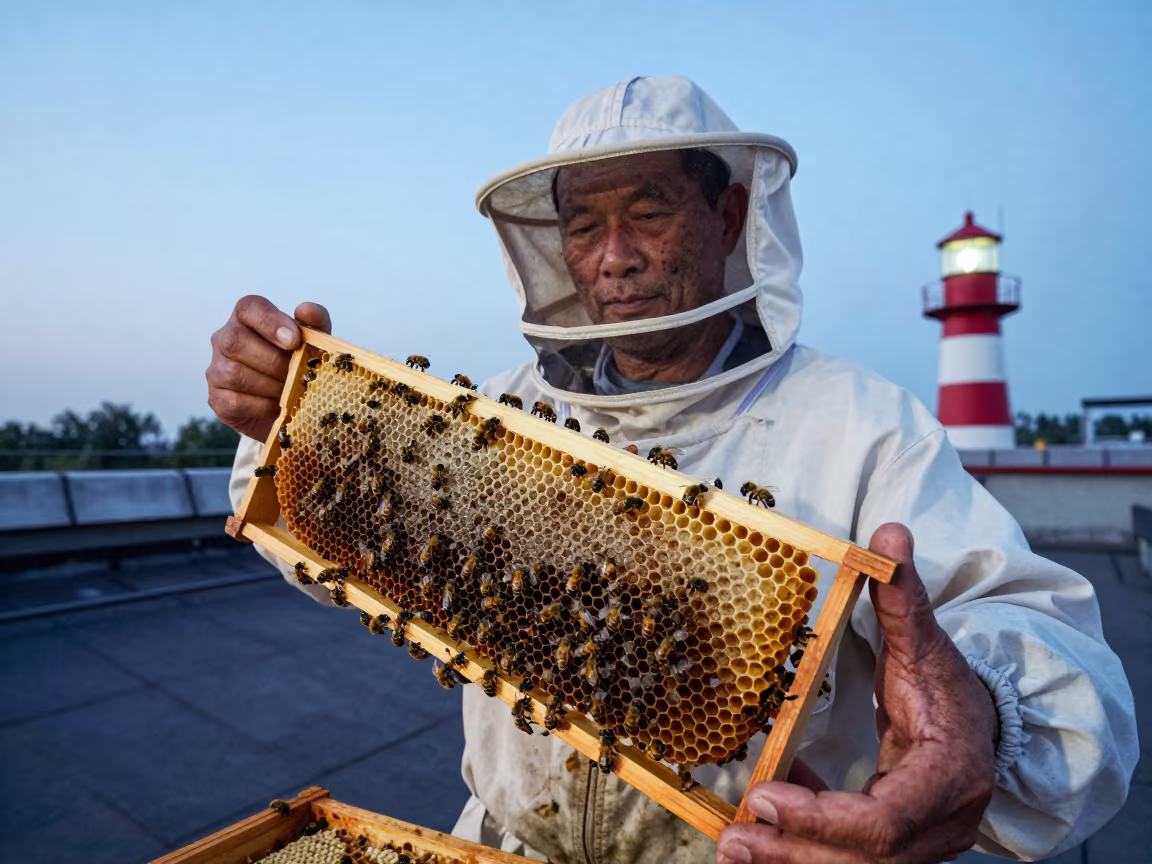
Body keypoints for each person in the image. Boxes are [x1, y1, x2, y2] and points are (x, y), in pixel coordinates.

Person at [210, 77, 1136, 864]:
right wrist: (285, 425)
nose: (613, 257)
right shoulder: (491, 413)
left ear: (729, 216)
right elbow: (344, 546)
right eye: (584, 225)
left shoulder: (859, 425)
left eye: (648, 211)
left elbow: (1048, 649)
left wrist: (978, 710)